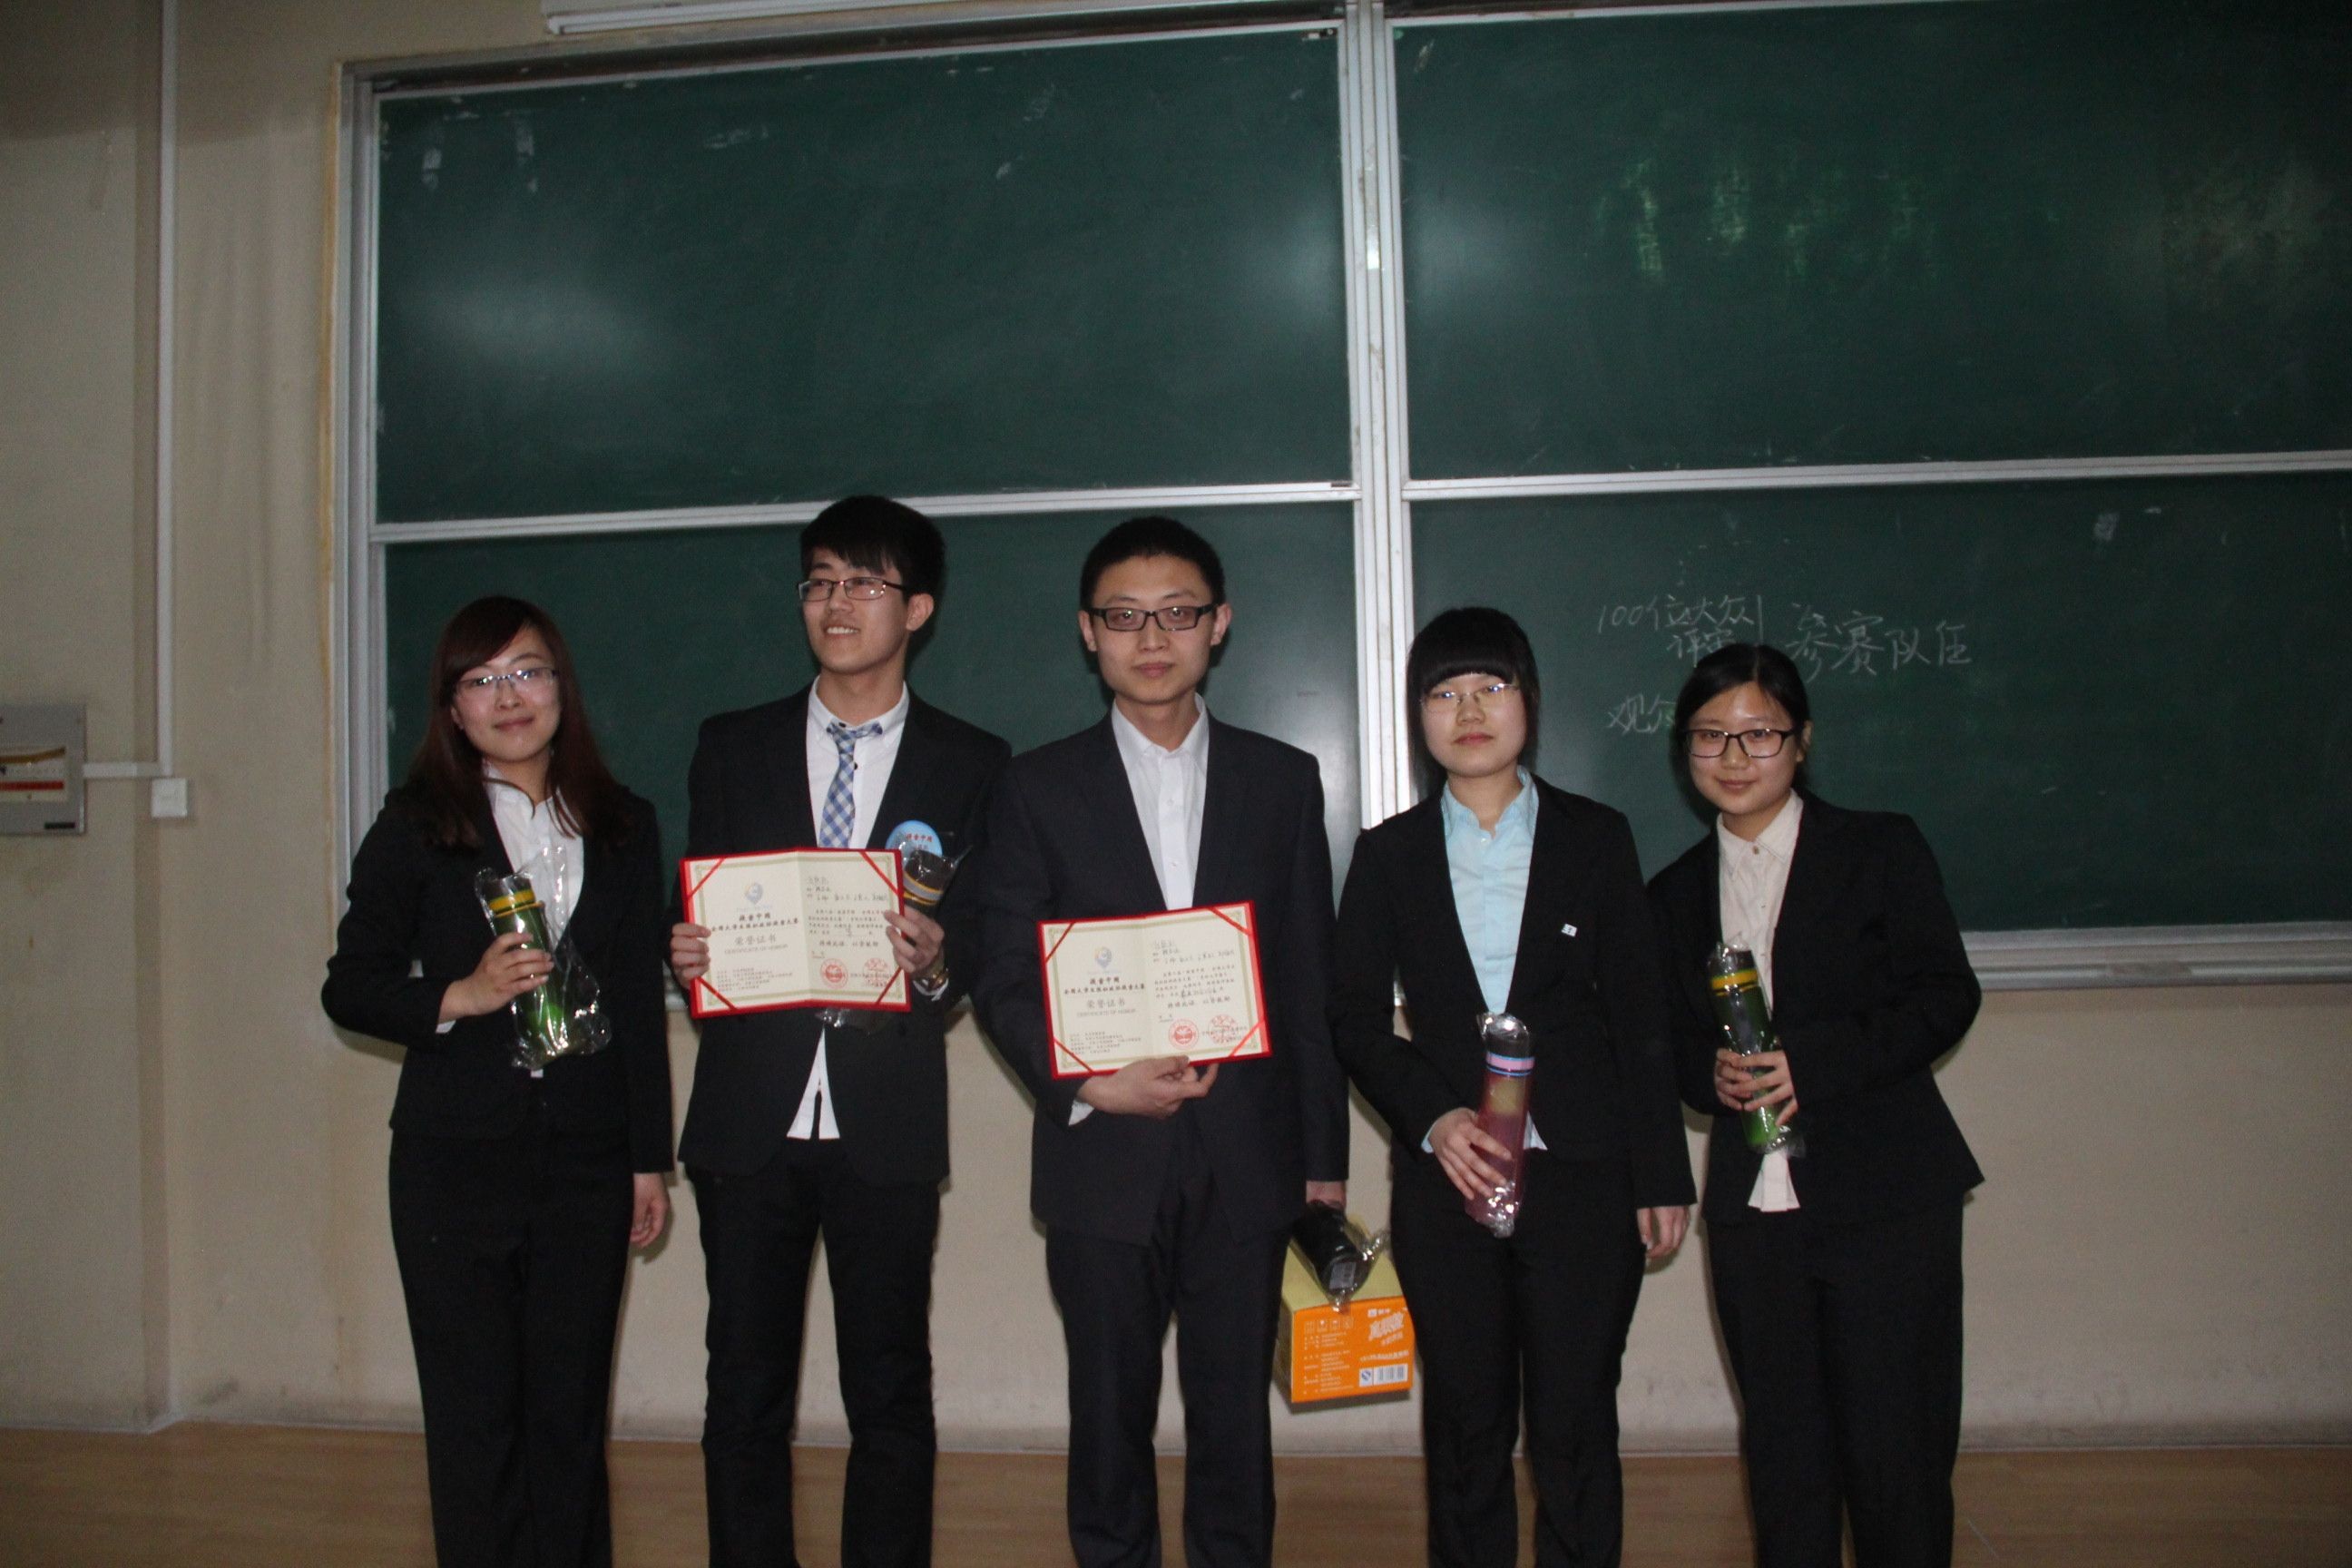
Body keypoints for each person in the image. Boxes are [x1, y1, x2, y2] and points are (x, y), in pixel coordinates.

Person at [972, 515, 1348, 1568]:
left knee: (1234, 1423)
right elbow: (1002, 973)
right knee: (1107, 1420)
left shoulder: (1282, 779)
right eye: (1124, 616)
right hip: (1103, 1152)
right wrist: (1087, 1084)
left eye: (1177, 613)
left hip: (1250, 1154)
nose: (1151, 638)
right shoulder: (1035, 786)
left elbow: (1310, 979)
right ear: (1087, 631)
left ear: (1218, 625)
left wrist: (1324, 1161)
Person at [667, 495, 1009, 1568]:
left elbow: (978, 948)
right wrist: (686, 956)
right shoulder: (732, 745)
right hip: (749, 1116)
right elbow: (698, 911)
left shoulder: (975, 761)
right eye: (819, 581)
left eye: (864, 583)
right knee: (743, 1394)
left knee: (891, 1393)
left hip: (884, 1119)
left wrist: (938, 960)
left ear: (919, 608)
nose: (836, 603)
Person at [1330, 606, 1693, 1568]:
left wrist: (1663, 1173)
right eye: (1444, 693)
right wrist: (1433, 1116)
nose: (1469, 712)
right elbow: (1352, 1020)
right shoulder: (1389, 854)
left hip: (1583, 1175)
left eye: (1491, 687)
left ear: (1529, 700)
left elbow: (1641, 1016)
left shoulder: (1596, 838)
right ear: (1418, 716)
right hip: (1450, 1178)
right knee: (1465, 1424)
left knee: (1575, 1421)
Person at [322, 595, 673, 1568]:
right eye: (481, 680)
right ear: (452, 707)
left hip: (588, 1162)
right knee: (474, 1418)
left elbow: (636, 1006)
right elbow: (350, 985)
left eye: (528, 672)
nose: (509, 697)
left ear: (562, 687)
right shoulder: (416, 825)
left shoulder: (623, 824)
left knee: (569, 1414)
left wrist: (647, 1160)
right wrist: (462, 996)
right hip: (455, 1161)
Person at [1646, 642, 1983, 1568]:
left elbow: (1945, 995)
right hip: (1756, 1215)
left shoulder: (1878, 849)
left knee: (1896, 1455)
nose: (1734, 757)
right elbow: (1669, 1045)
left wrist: (1814, 1062)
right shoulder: (1670, 895)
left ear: (1802, 742)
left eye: (1759, 734)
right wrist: (1708, 1077)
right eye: (1710, 736)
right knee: (1785, 1458)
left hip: (1885, 1197)